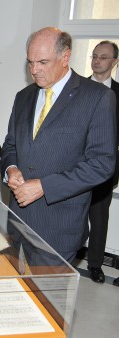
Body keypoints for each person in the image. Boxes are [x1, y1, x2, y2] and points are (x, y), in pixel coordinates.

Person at [0, 27, 117, 263]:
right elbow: (11, 143)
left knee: (46, 299)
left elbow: (102, 164)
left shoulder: (97, 98)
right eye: (30, 62)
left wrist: (45, 186)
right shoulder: (23, 96)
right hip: (18, 222)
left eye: (42, 62)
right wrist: (11, 169)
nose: (34, 70)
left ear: (65, 57)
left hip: (58, 228)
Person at [86, 41, 119, 284]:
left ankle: (95, 264)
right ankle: (66, 256)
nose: (97, 61)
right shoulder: (78, 89)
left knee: (99, 217)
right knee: (70, 214)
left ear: (114, 62)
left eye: (104, 57)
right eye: (95, 56)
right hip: (73, 165)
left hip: (105, 168)